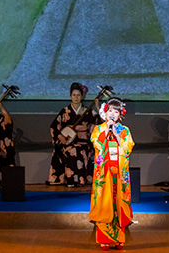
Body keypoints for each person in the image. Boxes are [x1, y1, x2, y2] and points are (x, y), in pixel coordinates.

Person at [89, 97, 134, 251]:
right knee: (105, 202)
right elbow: (96, 143)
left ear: (120, 114)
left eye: (116, 111)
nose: (112, 114)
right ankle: (104, 239)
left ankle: (119, 239)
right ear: (105, 113)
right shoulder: (98, 129)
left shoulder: (125, 130)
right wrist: (107, 130)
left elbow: (127, 148)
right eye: (110, 111)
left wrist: (115, 132)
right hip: (105, 172)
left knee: (119, 202)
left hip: (119, 172)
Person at [47, 82, 101, 187]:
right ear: (70, 96)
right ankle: (71, 179)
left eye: (78, 95)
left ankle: (78, 180)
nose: (76, 97)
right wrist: (60, 136)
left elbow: (97, 123)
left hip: (83, 141)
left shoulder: (88, 111)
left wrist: (98, 107)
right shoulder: (65, 111)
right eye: (74, 95)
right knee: (70, 149)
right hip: (67, 141)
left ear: (82, 96)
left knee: (77, 150)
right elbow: (54, 126)